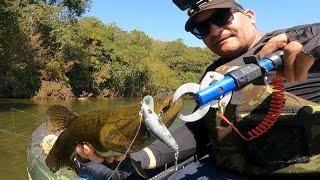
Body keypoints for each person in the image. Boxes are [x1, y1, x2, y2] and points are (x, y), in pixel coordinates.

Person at [75, 0, 320, 179]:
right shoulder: (213, 73)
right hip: (225, 168)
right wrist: (135, 155)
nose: (213, 30)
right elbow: (197, 133)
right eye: (202, 29)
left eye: (222, 17)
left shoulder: (295, 44)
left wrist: (311, 43)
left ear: (250, 15)